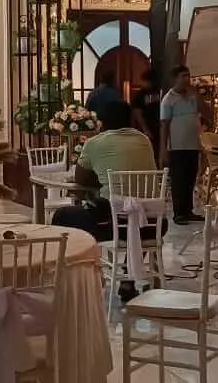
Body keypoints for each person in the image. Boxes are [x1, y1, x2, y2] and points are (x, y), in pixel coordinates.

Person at [51, 99, 160, 302]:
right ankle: (127, 279)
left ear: (102, 122)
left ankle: (78, 277)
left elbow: (81, 179)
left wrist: (103, 177)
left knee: (62, 216)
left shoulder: (95, 143)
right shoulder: (144, 140)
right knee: (134, 214)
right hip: (152, 225)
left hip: (112, 225)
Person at [160, 65, 203, 224]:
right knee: (179, 180)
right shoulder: (168, 99)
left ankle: (188, 210)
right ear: (175, 78)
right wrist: (163, 148)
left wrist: (197, 95)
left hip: (193, 145)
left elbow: (206, 112)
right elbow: (164, 125)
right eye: (183, 76)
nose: (186, 79)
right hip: (177, 146)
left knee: (190, 179)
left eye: (188, 76)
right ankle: (178, 213)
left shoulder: (192, 97)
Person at [130, 68, 161, 140]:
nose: (144, 83)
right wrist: (145, 129)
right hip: (146, 129)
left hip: (158, 127)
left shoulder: (159, 91)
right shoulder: (140, 95)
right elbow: (138, 114)